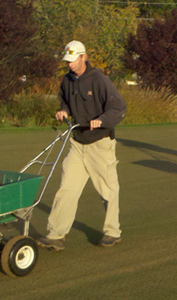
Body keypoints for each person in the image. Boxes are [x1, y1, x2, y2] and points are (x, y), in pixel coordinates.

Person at [37, 40, 127, 251]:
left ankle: (112, 232)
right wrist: (63, 110)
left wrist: (103, 120)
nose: (68, 64)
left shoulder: (99, 80)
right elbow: (64, 99)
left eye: (72, 60)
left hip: (100, 143)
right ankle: (56, 235)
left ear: (83, 57)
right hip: (77, 142)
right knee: (66, 189)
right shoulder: (67, 80)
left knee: (108, 191)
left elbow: (118, 107)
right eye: (66, 61)